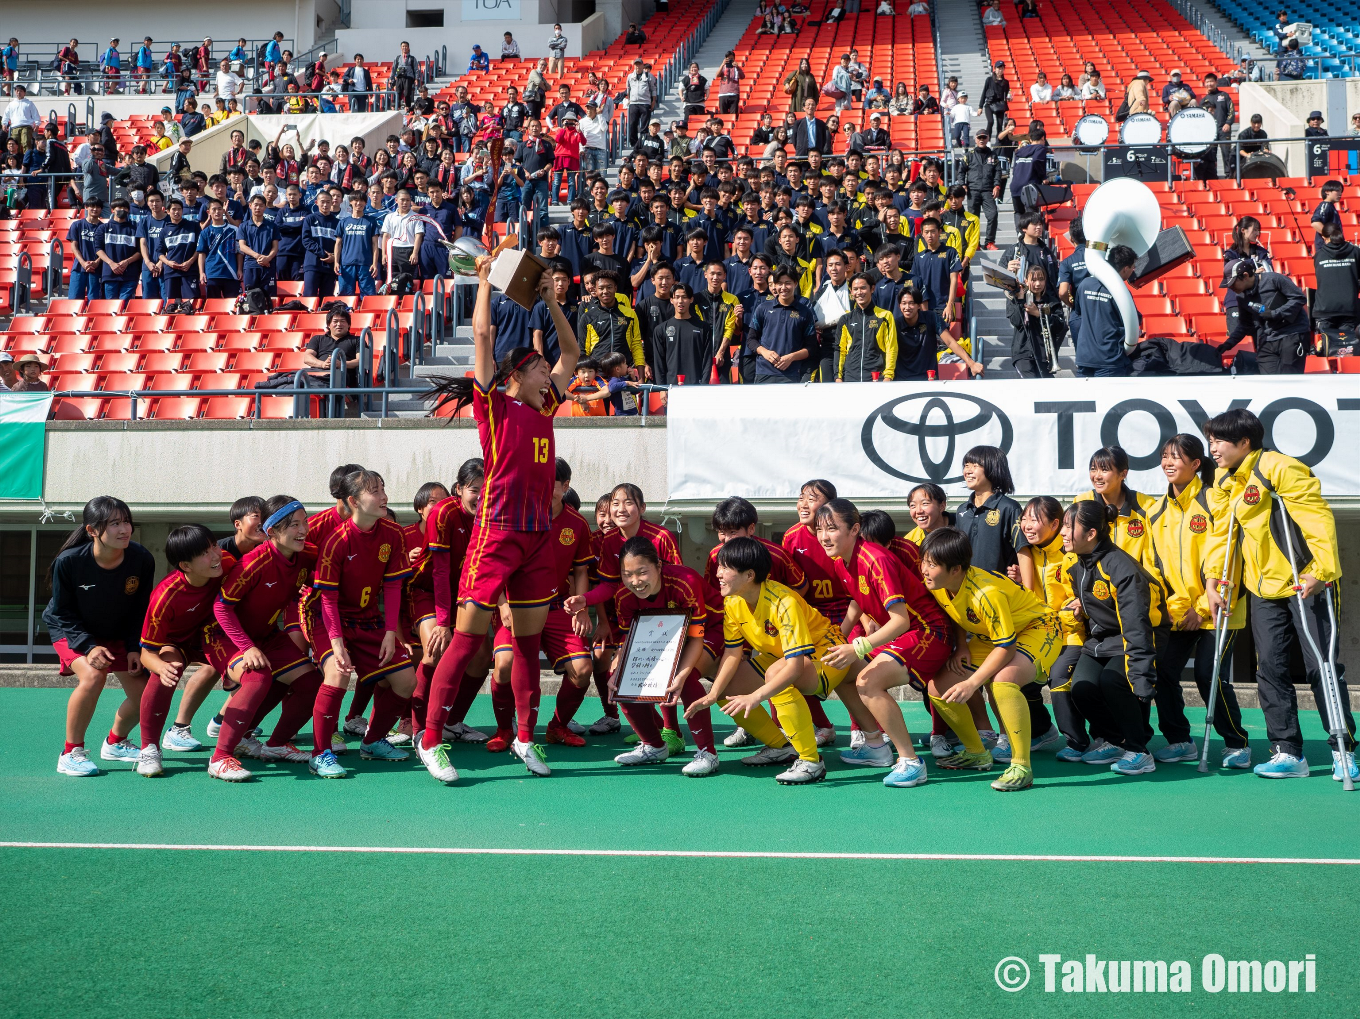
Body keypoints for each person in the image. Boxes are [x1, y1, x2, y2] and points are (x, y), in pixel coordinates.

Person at [420, 258, 581, 781]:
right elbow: (484, 334)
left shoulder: (546, 406)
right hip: (497, 536)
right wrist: (486, 280)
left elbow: (573, 352)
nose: (548, 373)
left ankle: (526, 738)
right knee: (469, 643)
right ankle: (430, 740)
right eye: (539, 369)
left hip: (537, 539)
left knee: (529, 647)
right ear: (516, 377)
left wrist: (552, 300)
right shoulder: (494, 405)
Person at [1203, 408, 1353, 781]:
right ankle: (1287, 751)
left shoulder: (1279, 468)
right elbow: (1222, 535)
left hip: (1305, 582)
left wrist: (1321, 570)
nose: (1213, 449)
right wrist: (1212, 580)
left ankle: (1342, 750)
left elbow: (1317, 517)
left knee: (1322, 665)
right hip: (1262, 587)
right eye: (1210, 441)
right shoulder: (1226, 481)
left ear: (1244, 442)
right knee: (1270, 666)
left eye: (1219, 441)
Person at [817, 500, 953, 787]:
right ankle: (876, 746)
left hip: (930, 632)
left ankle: (911, 762)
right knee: (841, 672)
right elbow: (857, 600)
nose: (824, 536)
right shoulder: (841, 560)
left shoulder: (876, 559)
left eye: (832, 528)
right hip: (907, 634)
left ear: (855, 529)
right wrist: (840, 635)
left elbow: (900, 621)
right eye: (820, 529)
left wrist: (858, 647)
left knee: (867, 681)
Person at [920, 528, 1061, 792]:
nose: (925, 570)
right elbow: (956, 611)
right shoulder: (939, 584)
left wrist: (972, 683)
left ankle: (1021, 766)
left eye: (932, 564)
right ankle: (977, 753)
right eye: (924, 562)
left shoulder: (987, 593)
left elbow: (1006, 648)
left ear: (955, 569)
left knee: (1003, 682)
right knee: (937, 687)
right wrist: (961, 645)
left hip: (1037, 627)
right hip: (992, 635)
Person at [1148, 434, 1251, 769]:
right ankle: (1179, 740)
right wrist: (1182, 609)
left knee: (1209, 674)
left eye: (1176, 457)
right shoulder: (1155, 511)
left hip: (1219, 609)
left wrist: (1203, 607)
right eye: (1164, 456)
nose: (1168, 463)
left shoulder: (1213, 500)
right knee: (1162, 670)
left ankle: (1237, 742)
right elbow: (1156, 569)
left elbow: (1224, 556)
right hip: (1180, 613)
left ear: (1195, 464)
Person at [45, 497, 156, 777]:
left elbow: (139, 609)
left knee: (147, 693)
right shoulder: (69, 562)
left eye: (126, 521)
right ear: (92, 530)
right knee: (94, 675)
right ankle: (71, 752)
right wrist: (88, 646)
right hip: (69, 628)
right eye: (115, 523)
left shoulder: (141, 558)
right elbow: (63, 611)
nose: (124, 529)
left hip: (117, 630)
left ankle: (116, 743)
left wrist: (134, 648)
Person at [1062, 501, 1165, 777]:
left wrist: (1142, 676)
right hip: (1102, 641)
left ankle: (1139, 751)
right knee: (1080, 687)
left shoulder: (1120, 567)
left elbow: (1136, 625)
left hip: (1137, 638)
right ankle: (1114, 741)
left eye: (1069, 526)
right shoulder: (1078, 564)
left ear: (1091, 534)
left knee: (1115, 680)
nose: (1062, 532)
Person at [134, 526, 231, 777]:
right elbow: (147, 653)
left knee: (251, 669)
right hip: (174, 643)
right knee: (167, 671)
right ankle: (149, 748)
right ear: (185, 565)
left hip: (210, 636)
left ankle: (231, 732)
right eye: (205, 552)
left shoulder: (226, 563)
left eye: (214, 546)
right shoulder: (165, 596)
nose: (215, 555)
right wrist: (161, 667)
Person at [1220, 258, 1309, 374]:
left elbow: (1299, 298)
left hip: (1292, 334)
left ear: (1245, 275)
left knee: (1289, 380)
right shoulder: (1241, 297)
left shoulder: (1274, 279)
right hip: (1268, 338)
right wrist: (1229, 343)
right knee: (1268, 381)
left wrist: (1275, 314)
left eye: (1232, 283)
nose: (1230, 287)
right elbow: (1245, 324)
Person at [1074, 243, 1137, 376]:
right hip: (1109, 359)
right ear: (1125, 268)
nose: (1133, 270)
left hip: (1085, 357)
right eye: (1132, 267)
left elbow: (1079, 312)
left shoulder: (1085, 284)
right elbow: (1133, 322)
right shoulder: (1122, 292)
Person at [1006, 263, 1065, 377]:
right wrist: (1020, 298)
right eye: (1033, 279)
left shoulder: (1052, 301)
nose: (1038, 283)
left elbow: (1060, 326)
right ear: (1026, 281)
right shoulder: (1017, 297)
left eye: (1041, 279)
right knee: (1031, 386)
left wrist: (1038, 314)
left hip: (1044, 354)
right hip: (1023, 353)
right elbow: (1016, 321)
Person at [837, 271, 897, 381]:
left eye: (863, 288)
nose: (859, 292)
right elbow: (840, 350)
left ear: (872, 289)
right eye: (855, 289)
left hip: (876, 376)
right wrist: (838, 376)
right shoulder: (845, 319)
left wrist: (888, 375)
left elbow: (891, 348)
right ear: (851, 292)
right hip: (850, 377)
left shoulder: (885, 316)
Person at [1312, 222, 1359, 355]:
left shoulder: (1319, 255)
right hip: (1348, 308)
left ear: (1324, 238)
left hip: (1324, 309)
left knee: (1326, 350)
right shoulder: (1355, 252)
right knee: (1347, 350)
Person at [978, 61, 1010, 138]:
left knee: (999, 125)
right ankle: (987, 140)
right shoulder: (989, 80)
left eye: (1002, 68)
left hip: (1000, 105)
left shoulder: (1006, 82)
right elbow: (984, 92)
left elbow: (1007, 94)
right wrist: (980, 107)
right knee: (990, 122)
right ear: (994, 69)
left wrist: (1009, 98)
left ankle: (998, 142)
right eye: (999, 68)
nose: (1000, 70)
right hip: (989, 104)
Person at [392, 41, 418, 109]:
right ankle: (397, 106)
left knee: (407, 93)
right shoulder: (398, 58)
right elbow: (394, 68)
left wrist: (416, 78)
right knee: (398, 92)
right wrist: (391, 78)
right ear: (401, 48)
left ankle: (407, 106)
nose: (404, 48)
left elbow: (416, 69)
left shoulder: (412, 58)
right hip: (399, 77)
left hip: (408, 77)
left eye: (406, 46)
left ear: (408, 48)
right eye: (403, 46)